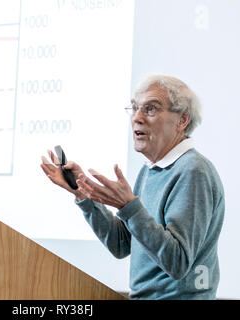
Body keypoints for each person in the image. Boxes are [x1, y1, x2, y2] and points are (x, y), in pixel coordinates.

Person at [40, 74, 225, 300]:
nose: (137, 118)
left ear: (182, 120)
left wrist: (129, 206)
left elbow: (177, 262)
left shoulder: (193, 171)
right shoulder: (150, 169)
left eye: (151, 109)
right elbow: (121, 244)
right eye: (135, 107)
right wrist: (83, 194)